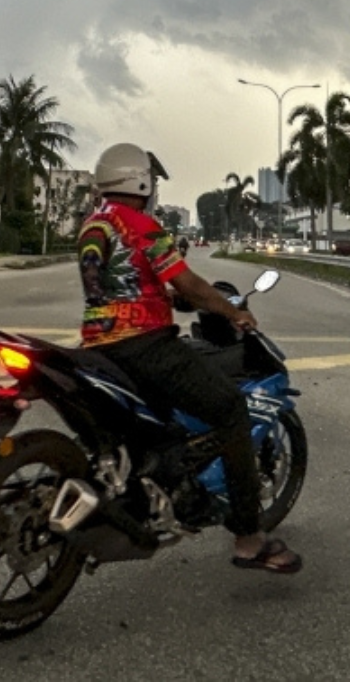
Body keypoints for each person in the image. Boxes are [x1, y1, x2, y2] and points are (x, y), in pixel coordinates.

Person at [77, 142, 301, 575]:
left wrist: (172, 303)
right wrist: (232, 311)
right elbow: (190, 283)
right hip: (145, 347)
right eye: (151, 181)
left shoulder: (94, 226)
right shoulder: (141, 225)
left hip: (98, 348)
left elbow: (128, 287)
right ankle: (250, 537)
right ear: (139, 181)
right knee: (231, 408)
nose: (153, 189)